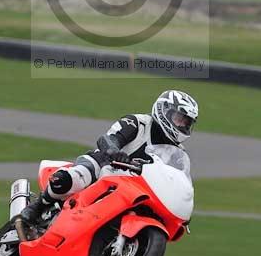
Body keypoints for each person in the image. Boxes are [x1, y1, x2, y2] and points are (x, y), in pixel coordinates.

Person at [21, 88, 198, 226]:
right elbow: (108, 138)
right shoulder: (138, 122)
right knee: (70, 179)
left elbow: (180, 181)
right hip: (104, 166)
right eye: (179, 118)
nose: (182, 125)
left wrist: (182, 205)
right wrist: (113, 150)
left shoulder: (179, 154)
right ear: (164, 110)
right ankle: (38, 206)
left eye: (187, 122)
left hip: (135, 187)